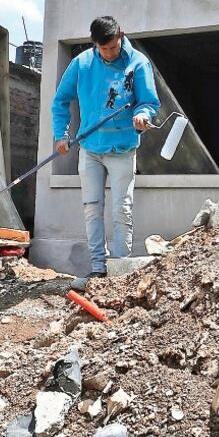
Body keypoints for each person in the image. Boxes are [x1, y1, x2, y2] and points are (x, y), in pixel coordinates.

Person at [52, 16, 161, 278]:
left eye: (113, 47)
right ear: (95, 45)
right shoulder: (82, 63)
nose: (110, 53)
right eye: (104, 49)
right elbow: (60, 101)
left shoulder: (138, 63)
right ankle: (99, 269)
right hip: (90, 148)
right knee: (91, 206)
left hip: (122, 149)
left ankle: (120, 270)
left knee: (121, 208)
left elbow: (149, 102)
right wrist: (61, 135)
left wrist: (142, 116)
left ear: (120, 36)